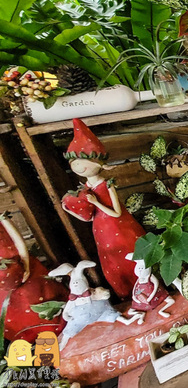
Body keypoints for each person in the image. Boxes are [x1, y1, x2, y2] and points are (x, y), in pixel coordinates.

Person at [61, 118, 146, 299]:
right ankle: (126, 295)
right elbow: (89, 217)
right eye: (74, 162)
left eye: (82, 162)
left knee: (131, 257)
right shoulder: (85, 189)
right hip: (101, 231)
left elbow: (117, 212)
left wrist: (96, 202)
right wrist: (69, 210)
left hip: (119, 228)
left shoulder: (107, 185)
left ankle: (146, 288)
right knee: (112, 262)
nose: (78, 166)